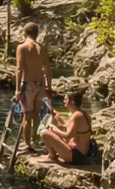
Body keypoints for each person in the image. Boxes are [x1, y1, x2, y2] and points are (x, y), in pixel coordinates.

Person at [13, 22, 53, 152]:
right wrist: (48, 86)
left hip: (28, 84)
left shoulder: (22, 48)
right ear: (37, 34)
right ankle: (34, 140)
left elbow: (19, 69)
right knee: (36, 114)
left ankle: (27, 145)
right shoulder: (42, 48)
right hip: (40, 84)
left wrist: (17, 90)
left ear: (25, 33)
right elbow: (47, 69)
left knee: (27, 116)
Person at [41, 91, 95, 165]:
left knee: (44, 133)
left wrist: (54, 128)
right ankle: (52, 155)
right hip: (75, 151)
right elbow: (67, 129)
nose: (63, 101)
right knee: (50, 130)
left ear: (72, 102)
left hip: (77, 155)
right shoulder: (77, 113)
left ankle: (52, 157)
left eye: (66, 99)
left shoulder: (77, 116)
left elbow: (68, 135)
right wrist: (57, 120)